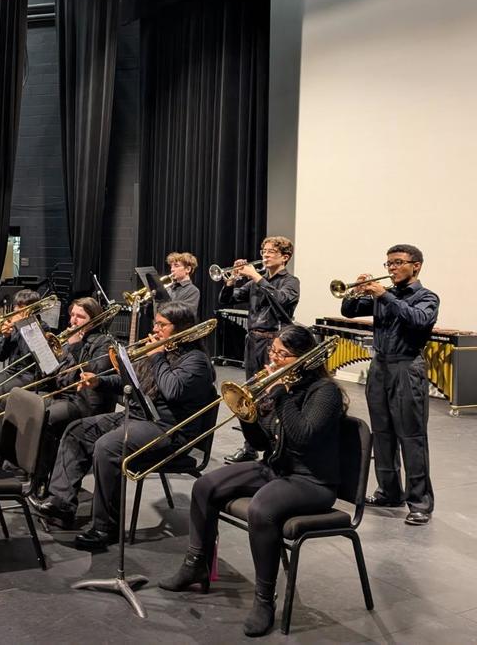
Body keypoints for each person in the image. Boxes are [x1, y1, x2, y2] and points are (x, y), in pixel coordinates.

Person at [159, 324, 346, 637]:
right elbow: (261, 445)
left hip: (313, 481)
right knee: (205, 486)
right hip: (277, 469)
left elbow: (302, 438)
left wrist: (281, 394)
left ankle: (263, 600)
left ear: (303, 359)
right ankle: (196, 564)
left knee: (262, 511)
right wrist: (249, 414)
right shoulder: (282, 385)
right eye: (273, 351)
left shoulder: (323, 392)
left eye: (282, 355)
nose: (272, 359)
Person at [30, 302, 216, 548]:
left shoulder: (196, 361)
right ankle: (62, 503)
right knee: (77, 431)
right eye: (155, 323)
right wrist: (99, 381)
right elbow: (129, 380)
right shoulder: (160, 349)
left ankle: (105, 527)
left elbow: (172, 390)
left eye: (162, 325)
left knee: (108, 447)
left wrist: (157, 356)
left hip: (170, 430)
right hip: (140, 417)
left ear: (181, 327)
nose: (155, 329)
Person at [341, 244, 438, 525]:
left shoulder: (426, 297)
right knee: (382, 434)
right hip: (380, 367)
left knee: (412, 437)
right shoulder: (385, 296)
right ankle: (389, 491)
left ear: (416, 265)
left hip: (407, 367)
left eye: (397, 263)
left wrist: (383, 295)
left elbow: (419, 320)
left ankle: (420, 502)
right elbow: (348, 311)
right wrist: (355, 290)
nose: (392, 268)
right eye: (389, 264)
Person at [218, 236, 300, 463]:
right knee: (249, 395)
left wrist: (255, 276)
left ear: (285, 257)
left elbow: (282, 300)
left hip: (274, 343)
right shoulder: (257, 281)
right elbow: (227, 300)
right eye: (263, 250)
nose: (265, 254)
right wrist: (231, 279)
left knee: (270, 396)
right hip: (252, 342)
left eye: (271, 251)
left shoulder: (291, 281)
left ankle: (275, 446)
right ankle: (250, 446)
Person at [32, 297, 120, 491]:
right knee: (31, 408)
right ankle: (36, 474)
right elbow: (54, 375)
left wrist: (75, 346)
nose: (73, 320)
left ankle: (41, 480)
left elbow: (90, 378)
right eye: (72, 314)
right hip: (64, 396)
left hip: (85, 402)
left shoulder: (103, 343)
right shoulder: (68, 339)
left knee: (47, 418)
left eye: (80, 316)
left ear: (94, 318)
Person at [0, 288, 44, 460]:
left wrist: (23, 329)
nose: (16, 311)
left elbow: (30, 356)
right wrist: (7, 337)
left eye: (21, 307)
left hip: (30, 374)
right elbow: (2, 356)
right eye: (17, 306)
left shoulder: (41, 328)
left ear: (33, 309)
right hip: (13, 370)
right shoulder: (15, 327)